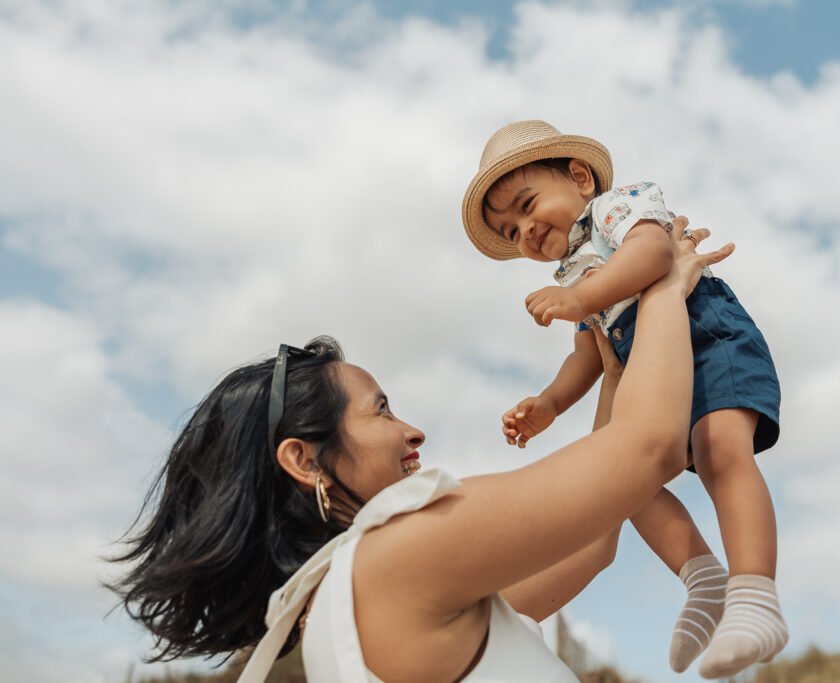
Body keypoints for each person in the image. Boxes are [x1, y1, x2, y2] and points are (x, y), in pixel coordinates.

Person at [110, 223, 732, 682]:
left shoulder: (344, 604)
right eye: (380, 410)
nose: (413, 432)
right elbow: (647, 447)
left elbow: (594, 539)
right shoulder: (399, 556)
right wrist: (660, 291)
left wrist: (611, 361)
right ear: (303, 461)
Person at [460, 120, 787, 677]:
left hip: (708, 340)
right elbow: (589, 356)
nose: (526, 229)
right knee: (623, 483)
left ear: (581, 178)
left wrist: (579, 295)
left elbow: (655, 255)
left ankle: (755, 597)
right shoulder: (573, 270)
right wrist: (550, 403)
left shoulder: (616, 209)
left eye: (527, 204)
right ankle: (702, 578)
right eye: (511, 230)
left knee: (718, 450)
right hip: (651, 375)